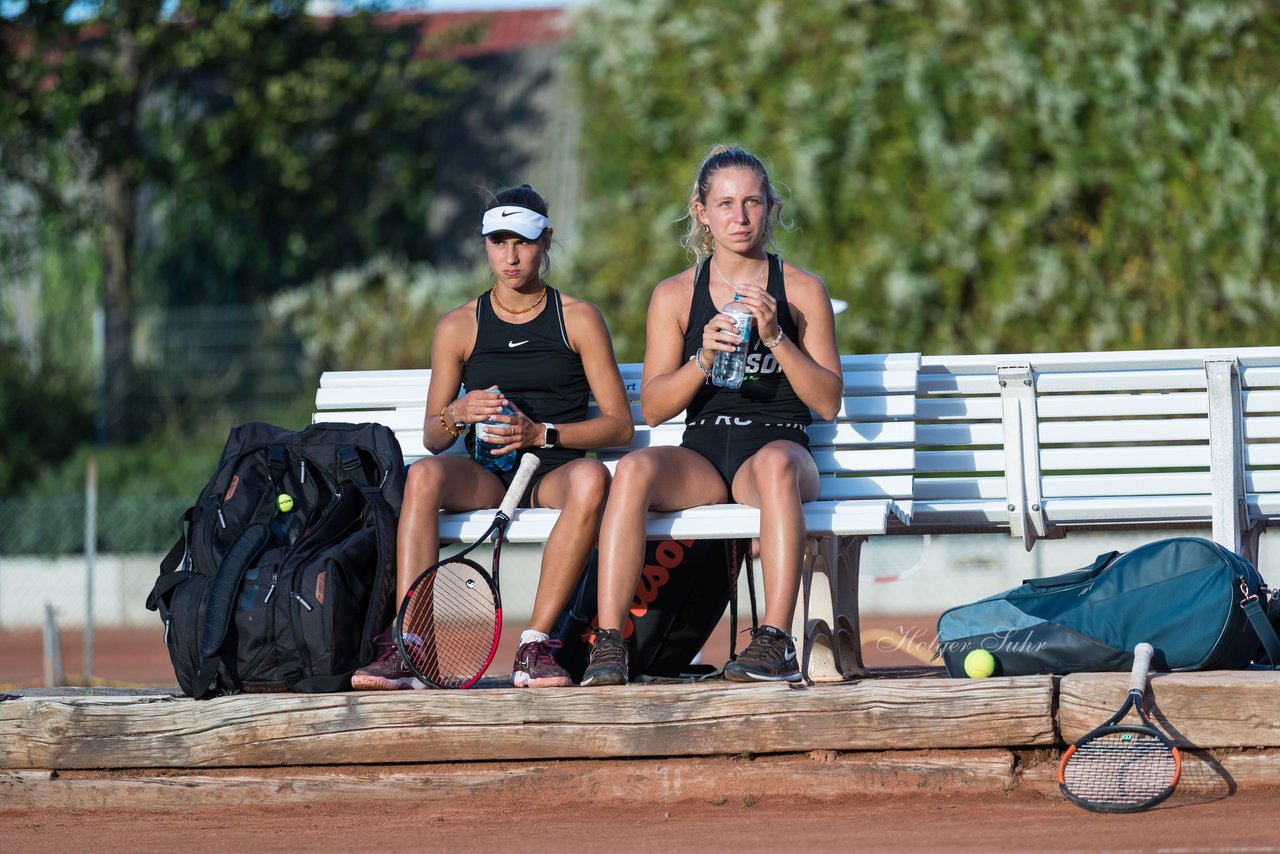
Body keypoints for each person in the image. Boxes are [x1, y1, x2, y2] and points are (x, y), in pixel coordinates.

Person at [580, 145, 843, 686]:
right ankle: (609, 645)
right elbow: (653, 407)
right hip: (703, 453)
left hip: (779, 451)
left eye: (751, 203)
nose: (739, 217)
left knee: (773, 467)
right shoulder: (675, 294)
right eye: (725, 204)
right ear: (702, 212)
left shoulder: (800, 289)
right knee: (631, 470)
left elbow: (827, 400)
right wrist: (701, 359)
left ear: (770, 208)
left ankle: (775, 641)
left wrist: (776, 337)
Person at [353, 184, 633, 690]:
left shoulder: (579, 318)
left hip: (553, 471)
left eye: (523, 241)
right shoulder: (458, 325)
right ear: (484, 243)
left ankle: (536, 646)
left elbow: (619, 425)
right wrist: (456, 412)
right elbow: (435, 437)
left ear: (545, 240)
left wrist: (542, 433)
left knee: (593, 476)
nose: (510, 255)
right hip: (485, 473)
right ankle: (408, 644)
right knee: (423, 477)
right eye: (498, 241)